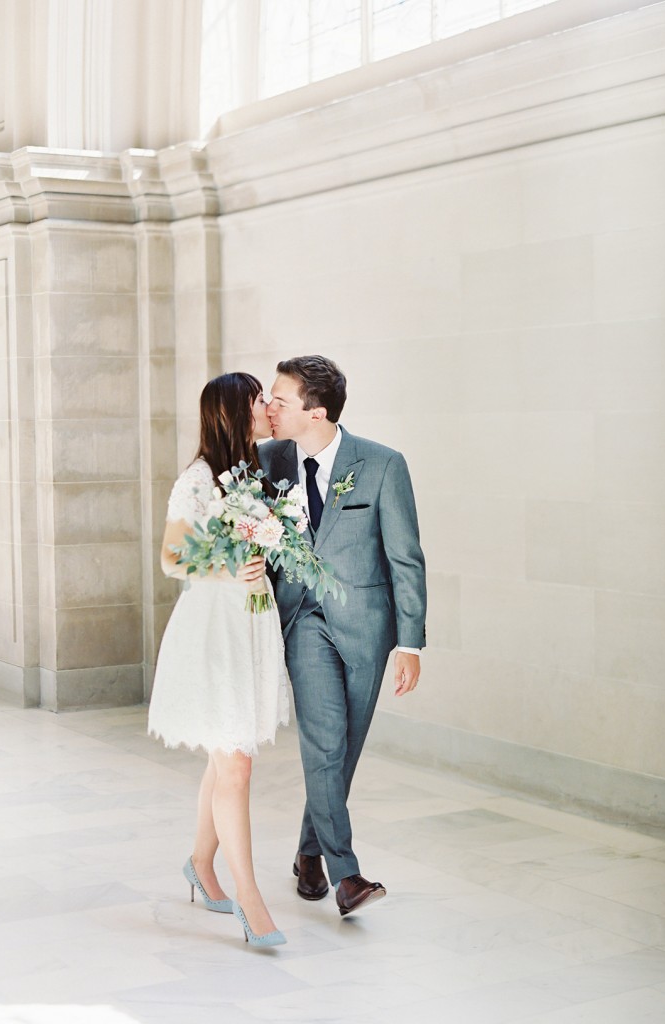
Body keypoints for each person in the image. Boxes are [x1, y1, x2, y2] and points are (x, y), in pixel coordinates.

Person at [259, 355, 426, 917]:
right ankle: (346, 875)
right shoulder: (265, 462)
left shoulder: (380, 465)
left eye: (280, 401)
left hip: (365, 627)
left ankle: (309, 852)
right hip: (302, 621)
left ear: (318, 412)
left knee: (344, 749)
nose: (269, 408)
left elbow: (406, 558)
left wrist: (411, 643)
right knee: (325, 741)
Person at [147, 372, 289, 947]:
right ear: (234, 410)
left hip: (250, 623)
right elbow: (172, 558)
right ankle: (248, 898)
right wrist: (230, 568)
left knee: (226, 753)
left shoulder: (252, 474)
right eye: (258, 399)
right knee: (236, 764)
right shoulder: (199, 479)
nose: (265, 406)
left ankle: (201, 867)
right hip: (213, 630)